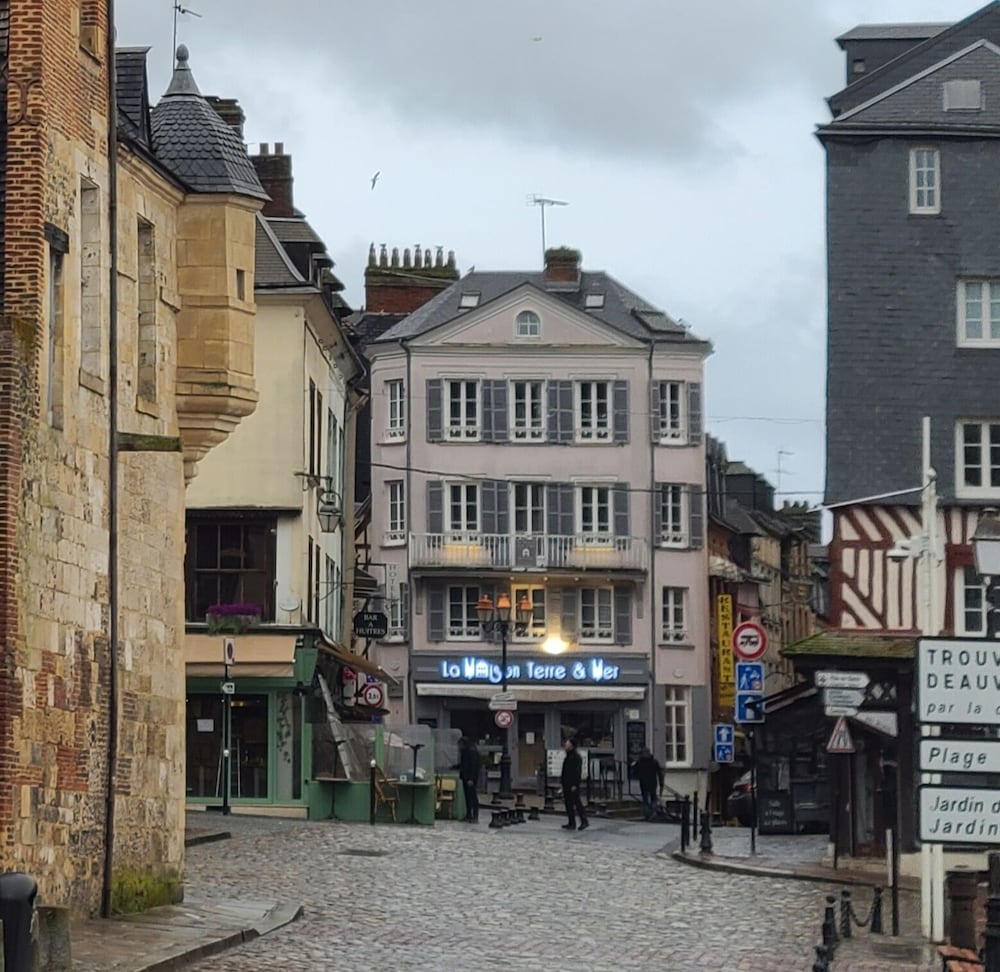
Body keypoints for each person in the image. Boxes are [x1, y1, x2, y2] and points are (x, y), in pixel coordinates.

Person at [560, 737, 588, 831]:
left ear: (571, 746)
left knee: (577, 803)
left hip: (572, 784)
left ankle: (584, 821)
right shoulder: (568, 756)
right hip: (566, 783)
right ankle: (571, 822)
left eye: (567, 744)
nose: (565, 745)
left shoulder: (576, 757)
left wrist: (575, 784)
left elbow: (577, 772)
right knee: (568, 803)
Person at [632, 748, 664, 821]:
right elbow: (660, 773)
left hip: (644, 783)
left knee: (646, 799)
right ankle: (652, 813)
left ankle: (647, 815)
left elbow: (634, 773)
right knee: (653, 798)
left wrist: (633, 767)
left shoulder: (640, 762)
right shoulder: (654, 762)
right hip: (653, 783)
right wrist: (661, 782)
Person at [458, 736, 480, 823]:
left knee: (472, 797)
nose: (459, 747)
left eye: (460, 745)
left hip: (470, 779)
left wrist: (471, 778)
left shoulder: (471, 751)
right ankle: (468, 815)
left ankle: (475, 816)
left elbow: (473, 766)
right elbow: (464, 764)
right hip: (465, 777)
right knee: (467, 798)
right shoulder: (465, 752)